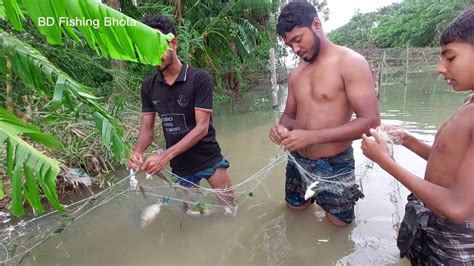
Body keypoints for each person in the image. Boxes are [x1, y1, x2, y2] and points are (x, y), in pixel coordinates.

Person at [361, 8, 474, 264]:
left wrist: (385, 162)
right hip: (432, 220)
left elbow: (458, 207)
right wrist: (407, 140)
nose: (440, 69)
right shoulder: (470, 102)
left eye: (450, 58)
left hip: (454, 240)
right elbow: (449, 161)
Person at [269, 1, 380, 226]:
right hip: (297, 160)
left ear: (316, 25)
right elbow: (289, 117)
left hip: (334, 163)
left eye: (298, 40)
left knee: (339, 226)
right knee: (295, 213)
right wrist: (281, 129)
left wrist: (312, 136)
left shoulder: (350, 63)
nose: (295, 50)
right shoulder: (296, 75)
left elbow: (370, 122)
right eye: (290, 45)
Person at [127, 15, 234, 209]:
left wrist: (164, 157)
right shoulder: (148, 87)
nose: (153, 54)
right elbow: (147, 130)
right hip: (180, 167)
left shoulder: (199, 79)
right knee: (189, 220)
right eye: (147, 48)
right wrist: (138, 151)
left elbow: (201, 128)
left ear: (173, 43)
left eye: (157, 45)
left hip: (208, 159)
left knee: (231, 210)